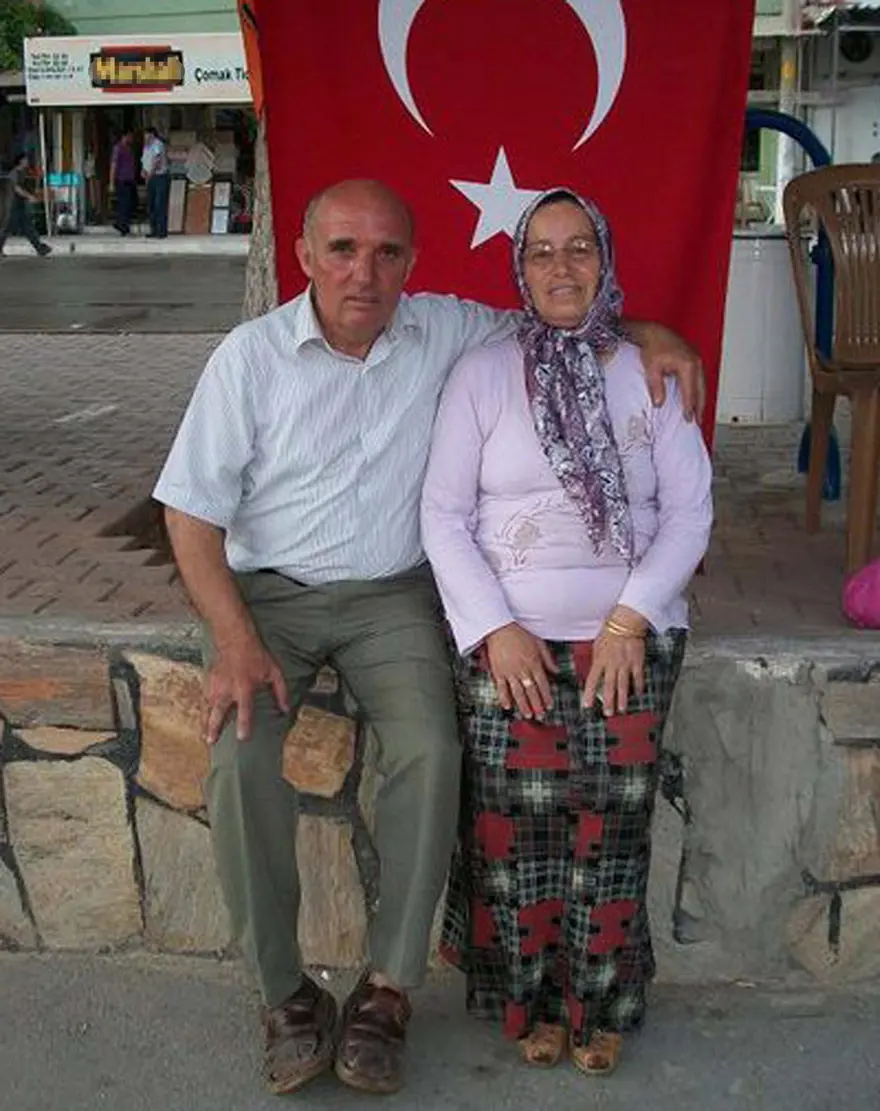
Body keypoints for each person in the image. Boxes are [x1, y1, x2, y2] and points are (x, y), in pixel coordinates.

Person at [153, 179, 704, 1097]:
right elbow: (188, 514)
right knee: (239, 758)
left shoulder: (449, 330)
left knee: (432, 750)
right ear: (304, 255)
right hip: (267, 599)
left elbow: (563, 309)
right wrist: (234, 639)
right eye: (341, 250)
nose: (363, 273)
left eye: (386, 253)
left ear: (412, 261)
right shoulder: (249, 359)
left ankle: (387, 989)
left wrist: (653, 333)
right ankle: (285, 992)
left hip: (391, 596)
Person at [420, 188, 713, 1078]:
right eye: (541, 250)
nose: (560, 266)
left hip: (630, 637)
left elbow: (690, 511)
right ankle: (535, 1004)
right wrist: (495, 629)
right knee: (517, 832)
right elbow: (443, 514)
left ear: (605, 259)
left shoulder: (648, 372)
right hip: (509, 642)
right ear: (519, 267)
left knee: (612, 826)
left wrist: (629, 619)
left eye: (579, 247)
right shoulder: (482, 374)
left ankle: (602, 1006)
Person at [0, 153, 52, 257]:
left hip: (19, 205)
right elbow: (16, 188)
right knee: (9, 228)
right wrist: (29, 196)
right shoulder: (14, 173)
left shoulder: (22, 173)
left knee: (24, 227)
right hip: (12, 205)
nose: (27, 162)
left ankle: (40, 248)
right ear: (21, 161)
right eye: (25, 160)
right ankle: (40, 248)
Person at [141, 126, 169, 238]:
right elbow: (144, 160)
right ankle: (154, 229)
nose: (145, 137)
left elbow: (157, 160)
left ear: (152, 134)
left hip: (159, 176)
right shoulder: (146, 146)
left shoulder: (157, 144)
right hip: (150, 177)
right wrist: (143, 171)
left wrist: (150, 174)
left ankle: (161, 230)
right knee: (151, 204)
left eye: (146, 134)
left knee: (159, 204)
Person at [110, 130, 137, 236]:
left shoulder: (129, 149)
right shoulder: (118, 148)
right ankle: (123, 226)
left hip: (130, 180)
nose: (132, 139)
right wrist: (111, 182)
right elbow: (113, 165)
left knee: (130, 203)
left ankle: (121, 223)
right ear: (125, 136)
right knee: (124, 204)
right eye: (130, 136)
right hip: (122, 180)